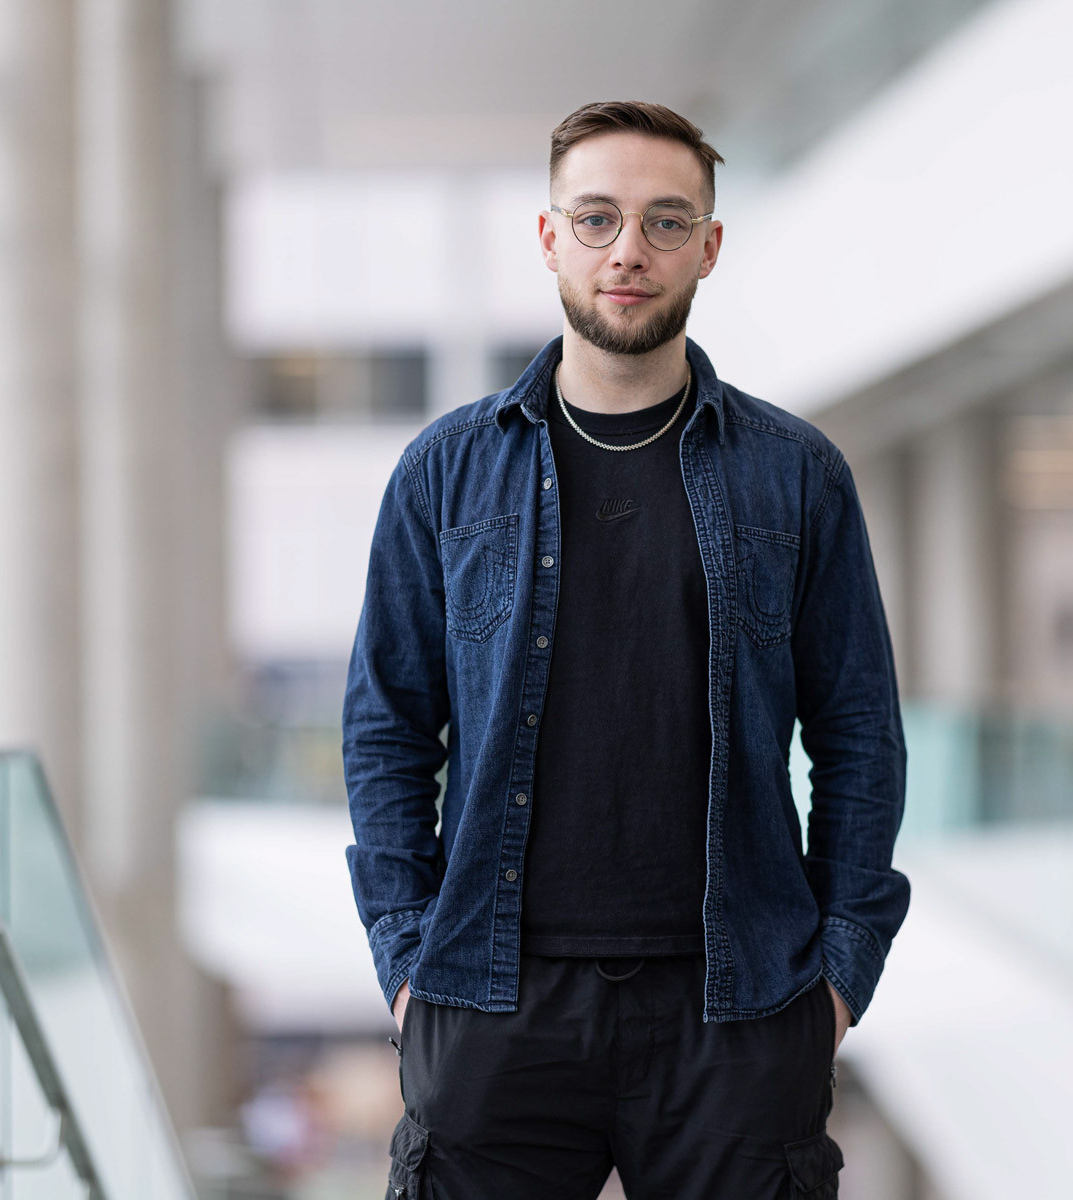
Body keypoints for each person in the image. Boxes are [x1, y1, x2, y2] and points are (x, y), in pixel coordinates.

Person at [342, 99, 909, 1200]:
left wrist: (838, 975)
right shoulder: (444, 473)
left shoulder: (798, 476)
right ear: (551, 238)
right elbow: (385, 728)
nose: (628, 253)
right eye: (596, 220)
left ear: (709, 244)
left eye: (663, 221)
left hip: (738, 1012)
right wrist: (406, 959)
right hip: (488, 1005)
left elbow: (859, 738)